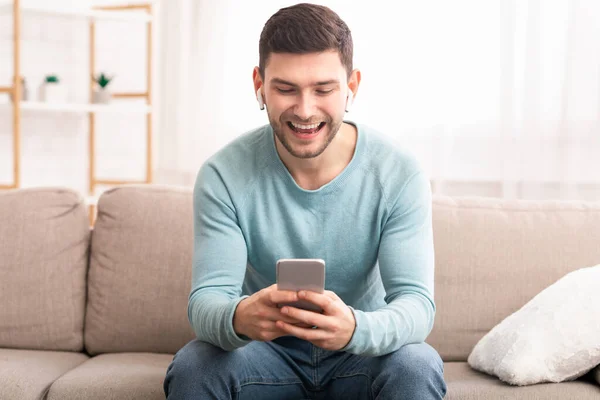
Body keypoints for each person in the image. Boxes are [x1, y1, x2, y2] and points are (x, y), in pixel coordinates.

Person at [164, 3, 447, 399]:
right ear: (259, 84)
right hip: (263, 354)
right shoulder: (223, 175)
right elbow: (207, 301)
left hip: (360, 353)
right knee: (196, 366)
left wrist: (354, 328)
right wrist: (240, 317)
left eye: (323, 89)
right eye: (285, 88)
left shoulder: (399, 174)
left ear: (352, 86)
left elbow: (417, 306)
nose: (305, 109)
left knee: (416, 365)